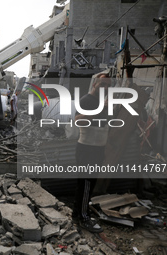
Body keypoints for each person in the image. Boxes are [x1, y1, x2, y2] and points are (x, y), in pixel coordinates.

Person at [73, 73, 111, 233]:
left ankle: (80, 213)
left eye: (107, 86)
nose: (104, 88)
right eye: (102, 84)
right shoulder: (87, 101)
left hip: (97, 149)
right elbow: (77, 120)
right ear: (95, 84)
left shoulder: (102, 102)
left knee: (89, 184)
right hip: (87, 150)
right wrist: (99, 109)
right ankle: (83, 217)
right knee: (86, 184)